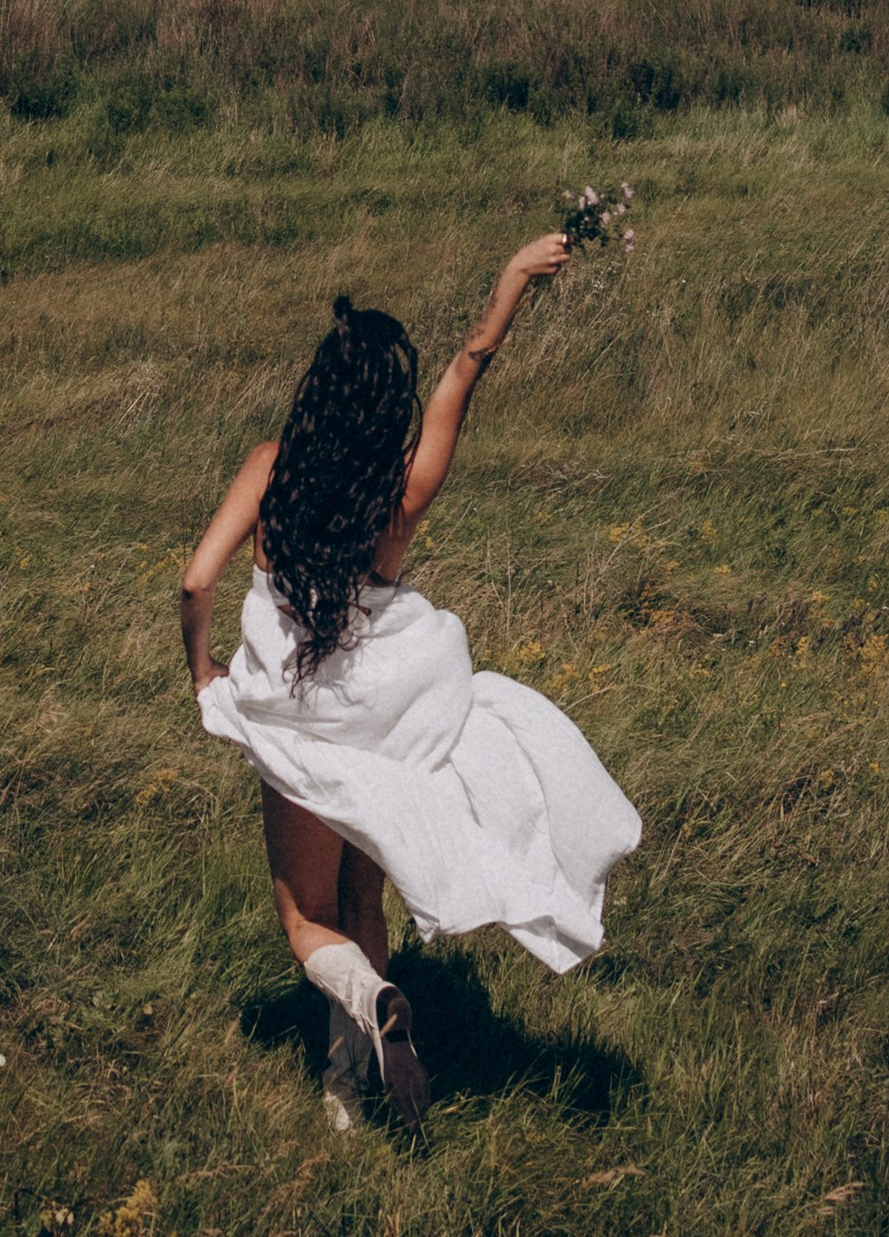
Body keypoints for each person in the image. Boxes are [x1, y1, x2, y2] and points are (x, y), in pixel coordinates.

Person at [182, 236, 640, 1134]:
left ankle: (375, 1002)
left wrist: (203, 670)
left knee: (308, 922)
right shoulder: (399, 490)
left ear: (318, 392)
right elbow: (463, 376)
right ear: (386, 411)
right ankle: (346, 1089)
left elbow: (198, 581)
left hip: (298, 721)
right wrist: (509, 282)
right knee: (364, 898)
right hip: (386, 715)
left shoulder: (269, 467)